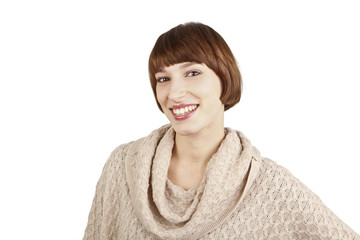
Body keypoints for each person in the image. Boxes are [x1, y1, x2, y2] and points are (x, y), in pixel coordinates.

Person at [83, 22, 359, 239]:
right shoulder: (123, 167)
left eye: (192, 73)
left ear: (224, 79)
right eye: (163, 79)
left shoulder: (265, 183)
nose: (175, 93)